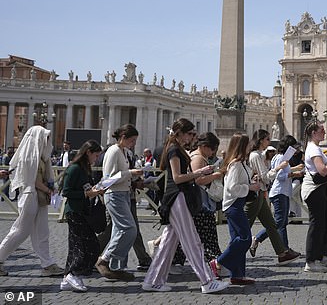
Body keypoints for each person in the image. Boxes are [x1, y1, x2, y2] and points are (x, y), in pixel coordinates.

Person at [142, 119, 229, 293]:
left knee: (168, 243)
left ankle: (152, 281)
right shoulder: (174, 149)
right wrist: (199, 172)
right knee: (192, 240)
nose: (192, 137)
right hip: (177, 197)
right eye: (190, 134)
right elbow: (177, 177)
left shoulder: (176, 148)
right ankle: (206, 281)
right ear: (180, 133)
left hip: (177, 196)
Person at [0, 125, 65, 277]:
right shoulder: (29, 156)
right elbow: (33, 180)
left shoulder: (41, 155)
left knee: (42, 231)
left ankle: (47, 263)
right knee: (21, 230)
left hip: (39, 195)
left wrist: (51, 188)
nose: (48, 141)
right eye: (45, 138)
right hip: (30, 195)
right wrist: (49, 190)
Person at [170, 132, 224, 274]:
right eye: (212, 149)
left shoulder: (199, 157)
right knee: (206, 234)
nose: (213, 153)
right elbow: (198, 180)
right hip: (200, 202)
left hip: (200, 202)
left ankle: (212, 262)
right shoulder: (198, 158)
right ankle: (215, 263)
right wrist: (215, 175)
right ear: (205, 147)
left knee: (198, 234)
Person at [95, 124, 144, 281]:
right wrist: (130, 173)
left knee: (118, 231)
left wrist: (135, 178)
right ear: (123, 137)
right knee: (129, 229)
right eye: (132, 140)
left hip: (123, 193)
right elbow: (108, 178)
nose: (134, 143)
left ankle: (116, 267)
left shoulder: (123, 151)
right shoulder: (113, 151)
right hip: (114, 194)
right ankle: (104, 259)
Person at [246, 129, 301, 265]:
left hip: (267, 191)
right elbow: (270, 176)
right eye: (267, 139)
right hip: (268, 192)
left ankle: (283, 252)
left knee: (276, 223)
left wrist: (292, 170)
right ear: (260, 140)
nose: (269, 142)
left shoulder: (265, 156)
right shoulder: (257, 156)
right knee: (248, 226)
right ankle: (244, 246)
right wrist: (291, 173)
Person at [210, 133, 259, 285]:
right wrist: (250, 187)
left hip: (236, 203)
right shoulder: (236, 164)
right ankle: (218, 263)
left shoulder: (240, 163)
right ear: (242, 146)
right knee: (245, 239)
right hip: (234, 205)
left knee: (236, 240)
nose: (251, 145)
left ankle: (237, 275)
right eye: (248, 143)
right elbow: (232, 188)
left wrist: (251, 181)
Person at [60, 140, 105, 292]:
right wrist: (87, 193)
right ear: (88, 153)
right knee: (89, 246)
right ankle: (74, 273)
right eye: (96, 155)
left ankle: (67, 277)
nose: (96, 159)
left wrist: (97, 189)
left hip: (83, 211)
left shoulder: (85, 168)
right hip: (74, 211)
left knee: (75, 246)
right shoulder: (74, 168)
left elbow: (87, 187)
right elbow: (66, 191)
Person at [254, 135, 305, 253]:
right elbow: (280, 176)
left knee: (283, 222)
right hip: (279, 192)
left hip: (284, 192)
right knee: (278, 222)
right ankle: (258, 238)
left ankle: (285, 249)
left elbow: (284, 172)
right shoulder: (280, 158)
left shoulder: (283, 158)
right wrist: (294, 174)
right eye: (293, 147)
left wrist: (294, 170)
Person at [302, 122, 327, 272]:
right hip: (314, 191)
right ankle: (310, 261)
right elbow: (322, 171)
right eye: (321, 130)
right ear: (313, 133)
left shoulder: (316, 148)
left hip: (321, 190)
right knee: (316, 226)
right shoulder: (313, 149)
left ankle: (323, 256)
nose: (324, 132)